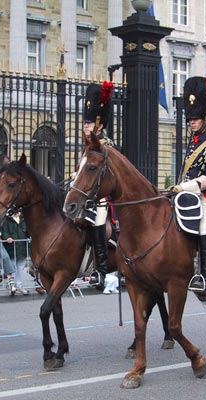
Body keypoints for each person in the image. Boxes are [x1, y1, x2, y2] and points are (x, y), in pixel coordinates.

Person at [169, 71, 206, 301]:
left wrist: (191, 185)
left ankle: (205, 279)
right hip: (186, 194)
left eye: (196, 118)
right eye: (190, 119)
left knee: (205, 224)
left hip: (205, 196)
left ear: (205, 118)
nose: (192, 122)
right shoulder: (192, 144)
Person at [79, 81, 115, 289]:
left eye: (89, 123)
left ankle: (100, 270)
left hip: (102, 197)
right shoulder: (88, 147)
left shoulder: (106, 145)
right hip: (85, 195)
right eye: (85, 123)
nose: (86, 126)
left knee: (97, 221)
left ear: (100, 125)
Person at [2, 210, 30, 295]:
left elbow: (28, 231)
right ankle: (12, 286)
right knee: (12, 267)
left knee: (20, 267)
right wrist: (7, 237)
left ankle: (19, 285)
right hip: (11, 247)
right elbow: (3, 231)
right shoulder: (6, 219)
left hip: (22, 247)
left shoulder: (23, 219)